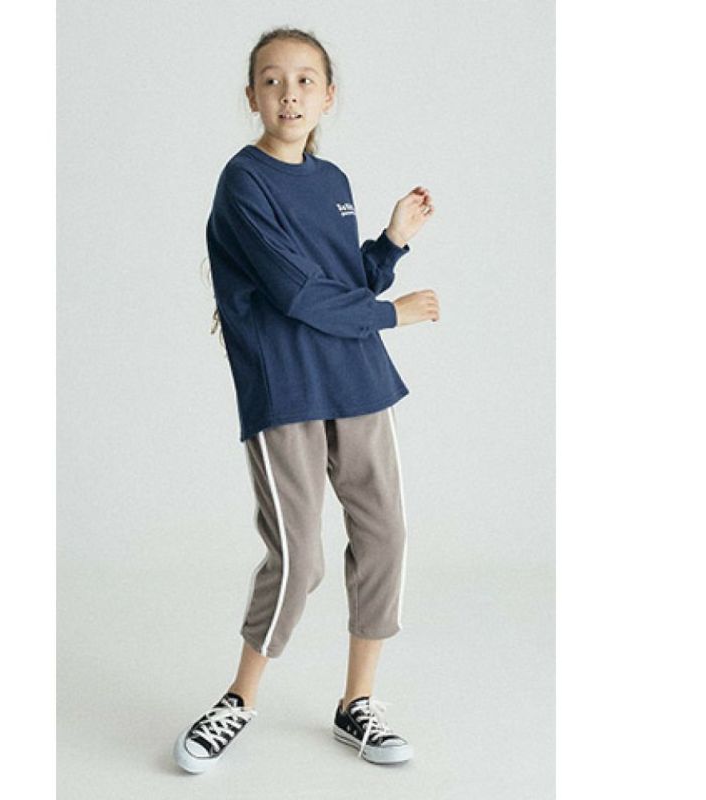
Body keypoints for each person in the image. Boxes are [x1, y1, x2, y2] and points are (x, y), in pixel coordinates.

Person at [173, 26, 439, 773]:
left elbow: (341, 282)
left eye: (303, 81)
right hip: (285, 384)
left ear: (328, 96)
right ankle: (238, 700)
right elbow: (295, 293)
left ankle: (358, 704)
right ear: (251, 96)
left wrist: (390, 242)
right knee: (299, 558)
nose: (288, 94)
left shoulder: (333, 182)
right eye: (272, 80)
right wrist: (392, 315)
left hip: (357, 378)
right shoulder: (243, 182)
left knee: (384, 537)